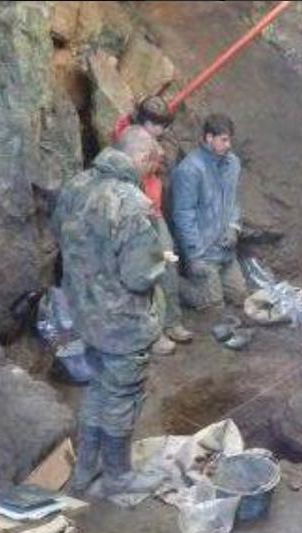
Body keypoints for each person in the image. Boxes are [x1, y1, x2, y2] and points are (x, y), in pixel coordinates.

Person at [54, 126, 170, 495]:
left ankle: (86, 467)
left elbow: (62, 236)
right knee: (122, 397)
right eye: (153, 165)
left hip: (85, 313)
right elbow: (139, 276)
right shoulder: (131, 204)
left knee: (98, 388)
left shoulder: (76, 186)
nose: (152, 173)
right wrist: (160, 259)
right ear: (144, 159)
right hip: (122, 324)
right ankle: (118, 475)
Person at [112, 96, 193, 353]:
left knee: (168, 264)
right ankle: (153, 333)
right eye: (161, 125)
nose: (164, 131)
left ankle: (172, 321)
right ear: (147, 123)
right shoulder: (128, 142)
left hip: (155, 214)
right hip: (137, 218)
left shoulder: (155, 145)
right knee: (148, 273)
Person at [168, 113, 248, 310]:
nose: (229, 145)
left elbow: (234, 200)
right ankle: (175, 284)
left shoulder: (232, 164)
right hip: (203, 252)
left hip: (225, 250)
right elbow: (183, 216)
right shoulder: (189, 170)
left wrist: (234, 226)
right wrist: (194, 256)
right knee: (213, 307)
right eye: (224, 140)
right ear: (209, 138)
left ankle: (207, 287)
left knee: (241, 298)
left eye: (230, 139)